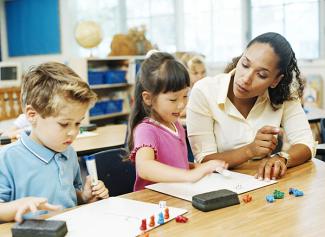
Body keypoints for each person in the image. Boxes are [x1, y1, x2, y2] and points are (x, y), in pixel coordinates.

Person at [186, 32, 316, 181]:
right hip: (216, 186)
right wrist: (250, 150)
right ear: (241, 58)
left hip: (263, 183)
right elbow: (204, 160)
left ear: (275, 81)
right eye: (245, 64)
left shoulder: (284, 95)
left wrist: (282, 157)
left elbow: (306, 143)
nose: (246, 79)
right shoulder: (204, 91)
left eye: (261, 75)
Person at [0, 62, 109, 223]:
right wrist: (19, 205)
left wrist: (84, 196)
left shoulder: (69, 152)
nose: (73, 132)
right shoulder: (7, 158)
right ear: (32, 115)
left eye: (78, 123)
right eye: (64, 124)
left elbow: (69, 199)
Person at [127, 51, 228, 191]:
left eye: (185, 96)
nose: (181, 105)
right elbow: (144, 167)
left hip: (177, 196)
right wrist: (190, 175)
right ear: (148, 98)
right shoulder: (146, 129)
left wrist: (197, 167)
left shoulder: (175, 124)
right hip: (154, 203)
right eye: (173, 99)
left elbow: (174, 164)